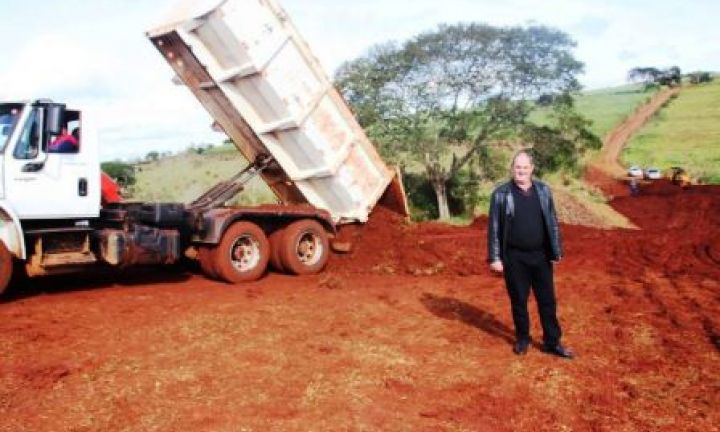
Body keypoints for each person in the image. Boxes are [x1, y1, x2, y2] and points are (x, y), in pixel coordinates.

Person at [487, 150, 574, 359]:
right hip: (515, 258)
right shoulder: (500, 194)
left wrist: (556, 250)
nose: (521, 171)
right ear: (512, 169)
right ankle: (523, 339)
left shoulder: (543, 191)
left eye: (525, 168)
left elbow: (552, 222)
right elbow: (494, 228)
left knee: (547, 301)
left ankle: (552, 342)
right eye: (518, 167)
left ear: (532, 169)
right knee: (519, 301)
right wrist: (495, 257)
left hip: (541, 256)